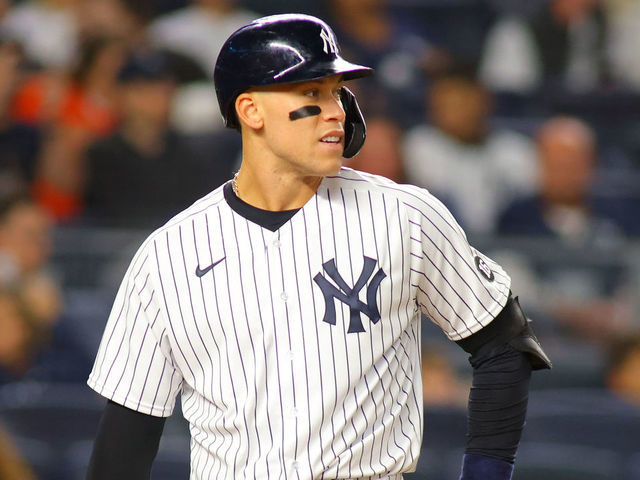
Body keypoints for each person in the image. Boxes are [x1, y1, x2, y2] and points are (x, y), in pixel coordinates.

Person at [86, 14, 551, 480]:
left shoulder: (404, 215)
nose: (336, 110)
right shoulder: (169, 253)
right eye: (311, 93)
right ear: (250, 111)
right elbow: (128, 431)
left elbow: (506, 347)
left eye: (336, 92)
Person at [403, 66, 537, 235]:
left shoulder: (515, 150)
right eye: (445, 105)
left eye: (461, 103)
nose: (454, 113)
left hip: (507, 246)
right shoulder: (421, 145)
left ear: (483, 101)